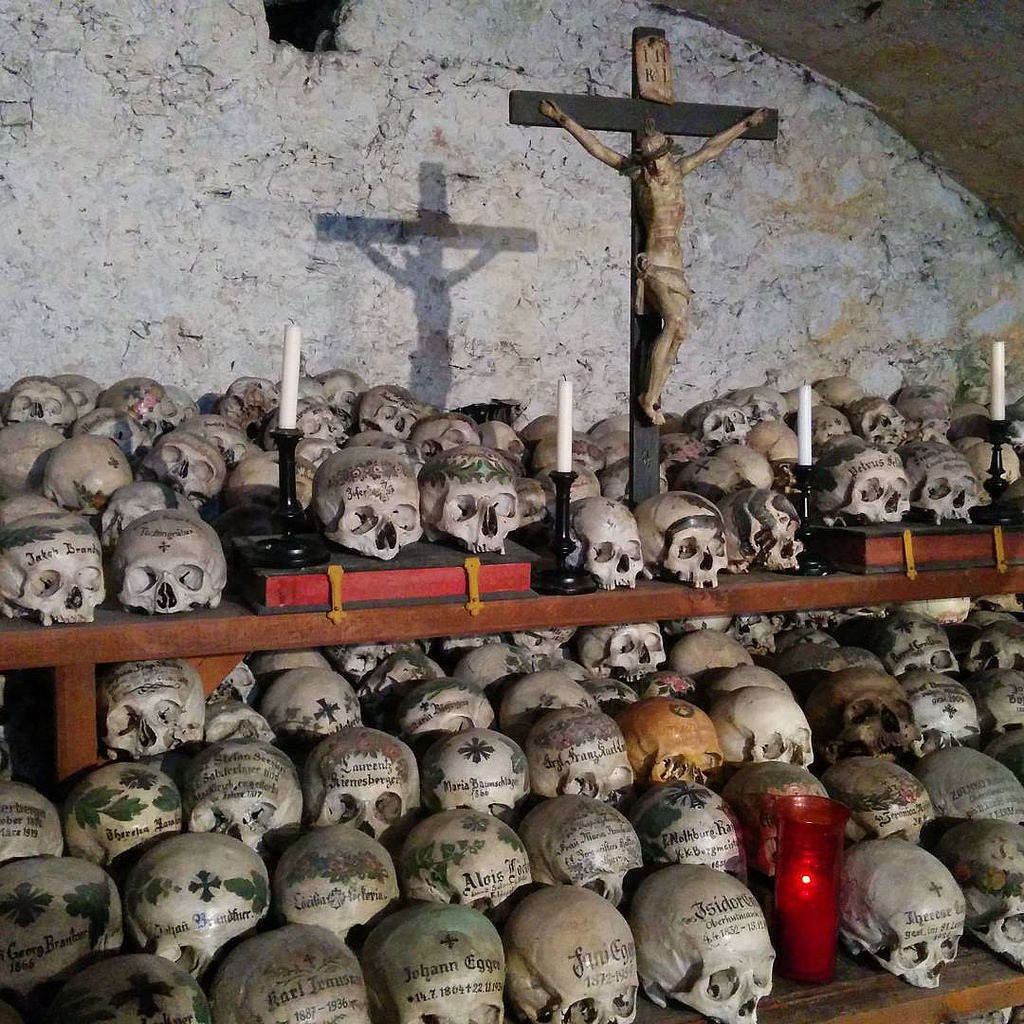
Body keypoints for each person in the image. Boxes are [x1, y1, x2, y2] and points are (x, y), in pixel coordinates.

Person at [539, 99, 768, 425]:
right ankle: (647, 398)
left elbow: (712, 148)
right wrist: (562, 117)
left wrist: (745, 125)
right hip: (655, 263)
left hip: (676, 265)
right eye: (650, 160)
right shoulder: (640, 179)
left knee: (681, 331)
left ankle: (654, 395)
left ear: (668, 153)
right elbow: (598, 149)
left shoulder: (679, 172)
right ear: (644, 162)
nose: (656, 166)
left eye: (660, 158)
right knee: (673, 321)